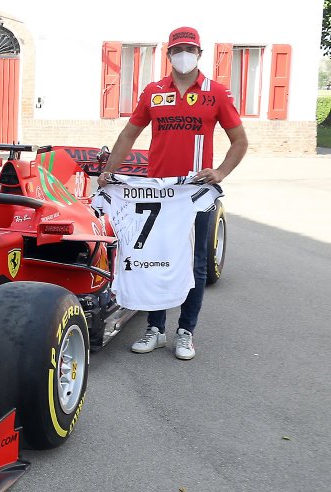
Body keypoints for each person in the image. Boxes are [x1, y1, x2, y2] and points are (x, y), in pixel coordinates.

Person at [98, 26, 247, 360]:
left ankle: (185, 332)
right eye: (178, 49)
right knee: (156, 258)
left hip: (194, 194)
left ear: (199, 54)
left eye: (189, 49)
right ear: (168, 54)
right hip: (158, 194)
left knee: (194, 265)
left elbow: (240, 141)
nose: (184, 55)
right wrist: (109, 169)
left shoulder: (216, 93)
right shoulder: (153, 92)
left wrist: (220, 173)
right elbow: (127, 135)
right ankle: (155, 329)